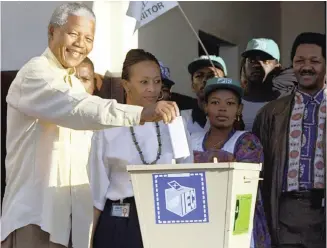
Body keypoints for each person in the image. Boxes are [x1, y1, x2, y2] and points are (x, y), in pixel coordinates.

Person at [1, 3, 180, 248]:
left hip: (71, 223)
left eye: (88, 38)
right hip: (37, 217)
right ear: (52, 31)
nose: (80, 44)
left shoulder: (73, 84)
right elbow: (78, 108)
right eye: (73, 34)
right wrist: (141, 113)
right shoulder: (36, 74)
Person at [88, 49, 193, 248]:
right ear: (125, 85)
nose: (152, 89)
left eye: (157, 81)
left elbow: (187, 176)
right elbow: (96, 191)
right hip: (120, 220)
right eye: (144, 82)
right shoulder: (108, 126)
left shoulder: (175, 124)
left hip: (166, 219)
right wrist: (88, 240)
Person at [253, 32, 326, 248]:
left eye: (314, 61)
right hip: (285, 213)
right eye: (299, 61)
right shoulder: (271, 113)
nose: (306, 67)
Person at [191, 77, 271, 248]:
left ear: (239, 109)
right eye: (215, 102)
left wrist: (197, 159)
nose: (222, 109)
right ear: (205, 107)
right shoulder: (192, 140)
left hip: (238, 224)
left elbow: (243, 177)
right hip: (199, 223)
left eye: (230, 103)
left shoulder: (248, 141)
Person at [240, 38, 297, 130]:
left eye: (265, 60)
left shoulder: (289, 102)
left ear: (277, 67)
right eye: (252, 60)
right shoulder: (233, 103)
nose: (257, 65)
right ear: (244, 66)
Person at [182, 55, 228, 134]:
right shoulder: (180, 121)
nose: (204, 80)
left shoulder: (234, 118)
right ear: (192, 86)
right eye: (199, 76)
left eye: (212, 76)